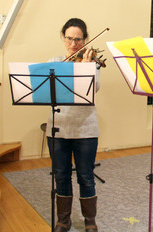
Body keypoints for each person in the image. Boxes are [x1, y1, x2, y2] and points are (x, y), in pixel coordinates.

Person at [46, 18, 100, 232]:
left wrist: (86, 69)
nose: (73, 44)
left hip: (85, 128)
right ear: (63, 37)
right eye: (69, 38)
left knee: (86, 175)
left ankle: (90, 221)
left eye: (78, 40)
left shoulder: (92, 63)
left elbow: (93, 90)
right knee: (61, 174)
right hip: (58, 127)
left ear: (85, 40)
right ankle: (63, 220)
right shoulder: (54, 63)